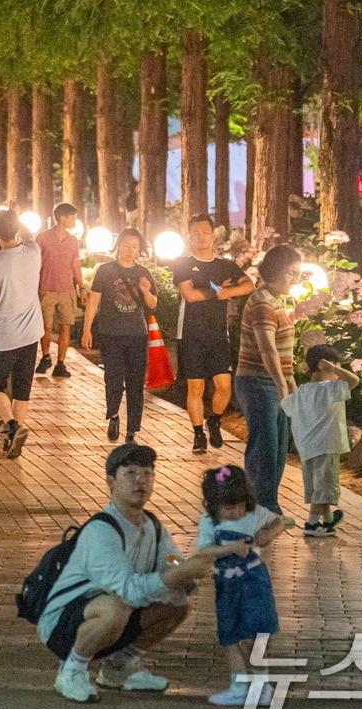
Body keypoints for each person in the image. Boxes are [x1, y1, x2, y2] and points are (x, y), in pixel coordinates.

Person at [39, 443, 211, 703]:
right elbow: (128, 590)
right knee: (117, 607)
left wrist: (183, 571)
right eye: (130, 473)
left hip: (112, 613)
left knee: (177, 604)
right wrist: (178, 574)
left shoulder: (151, 525)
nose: (140, 481)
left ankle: (118, 668)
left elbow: (171, 558)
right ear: (111, 481)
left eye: (147, 473)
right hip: (63, 624)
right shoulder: (101, 530)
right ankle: (71, 671)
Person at [196, 464, 285, 706]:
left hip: (253, 581)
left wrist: (269, 534)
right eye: (228, 507)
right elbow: (205, 550)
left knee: (256, 634)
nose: (235, 512)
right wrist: (231, 548)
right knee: (229, 635)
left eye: (239, 505)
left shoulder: (254, 513)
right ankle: (239, 685)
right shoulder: (209, 522)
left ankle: (262, 685)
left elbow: (280, 521)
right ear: (213, 505)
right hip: (226, 584)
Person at [172, 214, 254, 453]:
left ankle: (214, 420)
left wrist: (230, 292)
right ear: (189, 236)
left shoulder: (225, 265)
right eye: (195, 233)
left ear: (213, 235)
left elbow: (249, 285)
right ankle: (198, 435)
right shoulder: (183, 264)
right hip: (190, 333)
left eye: (205, 232)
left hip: (218, 334)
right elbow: (190, 295)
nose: (201, 237)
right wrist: (217, 290)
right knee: (195, 388)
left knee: (224, 386)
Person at [234, 243, 302, 521]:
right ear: (273, 272)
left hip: (273, 382)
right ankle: (262, 508)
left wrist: (290, 380)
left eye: (298, 273)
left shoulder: (276, 301)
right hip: (258, 383)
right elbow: (267, 349)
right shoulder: (262, 302)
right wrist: (282, 384)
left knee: (277, 446)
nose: (295, 279)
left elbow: (283, 351)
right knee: (265, 447)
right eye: (290, 273)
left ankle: (268, 505)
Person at [0, 209, 43, 459]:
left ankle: (12, 427)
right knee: (23, 388)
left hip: (3, 336)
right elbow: (28, 233)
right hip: (32, 332)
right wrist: (16, 213)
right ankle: (12, 439)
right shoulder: (33, 251)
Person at [82, 229, 158, 444]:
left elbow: (153, 304)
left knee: (135, 383)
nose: (129, 250)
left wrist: (145, 291)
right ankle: (114, 415)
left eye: (134, 246)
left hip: (137, 334)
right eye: (125, 245)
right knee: (113, 378)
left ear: (139, 249)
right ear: (119, 245)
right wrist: (87, 329)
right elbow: (93, 301)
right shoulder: (105, 270)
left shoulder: (143, 272)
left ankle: (132, 431)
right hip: (110, 333)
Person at [281, 344, 359, 537]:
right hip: (325, 445)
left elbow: (285, 407)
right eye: (336, 367)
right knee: (324, 486)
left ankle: (328, 520)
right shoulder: (330, 389)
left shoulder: (302, 392)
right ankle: (312, 524)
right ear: (326, 366)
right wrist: (334, 369)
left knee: (318, 485)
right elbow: (355, 380)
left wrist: (290, 385)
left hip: (307, 448)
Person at [36, 203, 87, 378]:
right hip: (46, 288)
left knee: (66, 326)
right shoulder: (42, 238)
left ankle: (61, 363)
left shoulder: (73, 240)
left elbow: (75, 264)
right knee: (46, 326)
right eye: (72, 217)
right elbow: (36, 263)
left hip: (67, 290)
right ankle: (46, 356)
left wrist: (81, 286)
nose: (74, 221)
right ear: (62, 218)